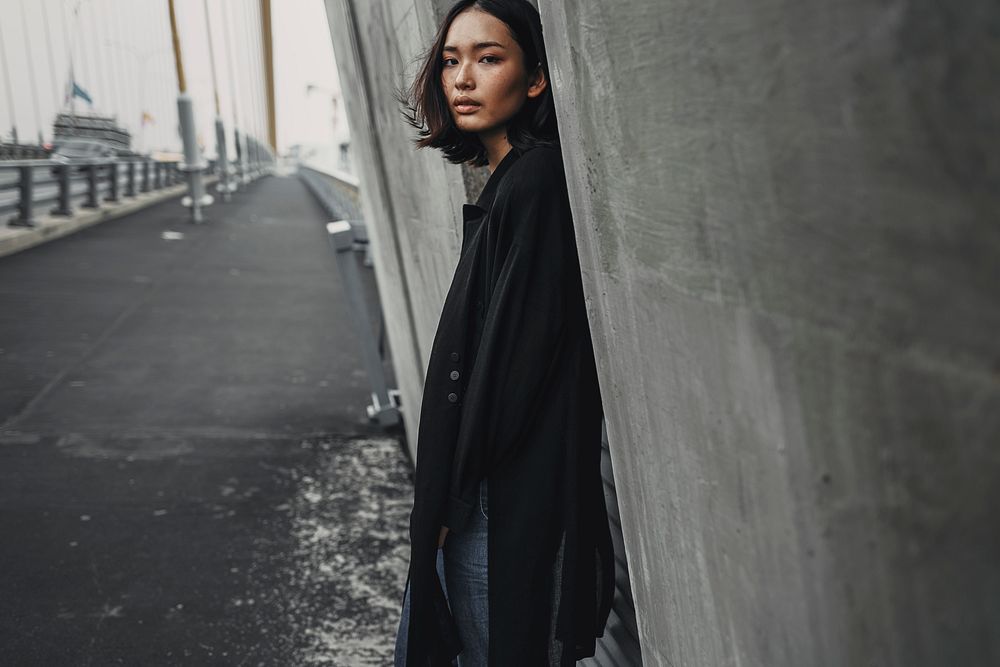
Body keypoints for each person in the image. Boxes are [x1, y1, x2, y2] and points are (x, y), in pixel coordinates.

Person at [392, 1, 615, 664]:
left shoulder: (537, 181)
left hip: (502, 503)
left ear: (536, 78)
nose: (462, 78)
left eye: (489, 58)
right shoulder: (509, 185)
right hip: (489, 497)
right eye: (452, 60)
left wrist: (451, 495)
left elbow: (522, 363)